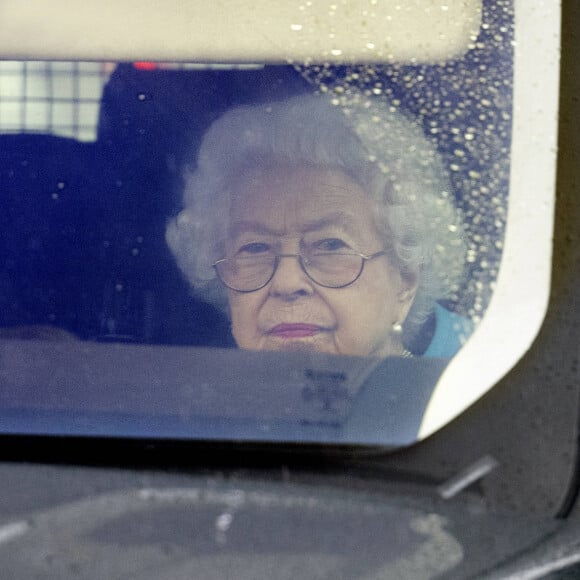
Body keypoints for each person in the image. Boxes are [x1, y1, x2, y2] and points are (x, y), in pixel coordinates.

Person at [167, 93, 471, 358]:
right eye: (255, 248)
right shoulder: (195, 408)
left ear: (405, 280)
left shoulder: (474, 382)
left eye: (330, 245)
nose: (287, 283)